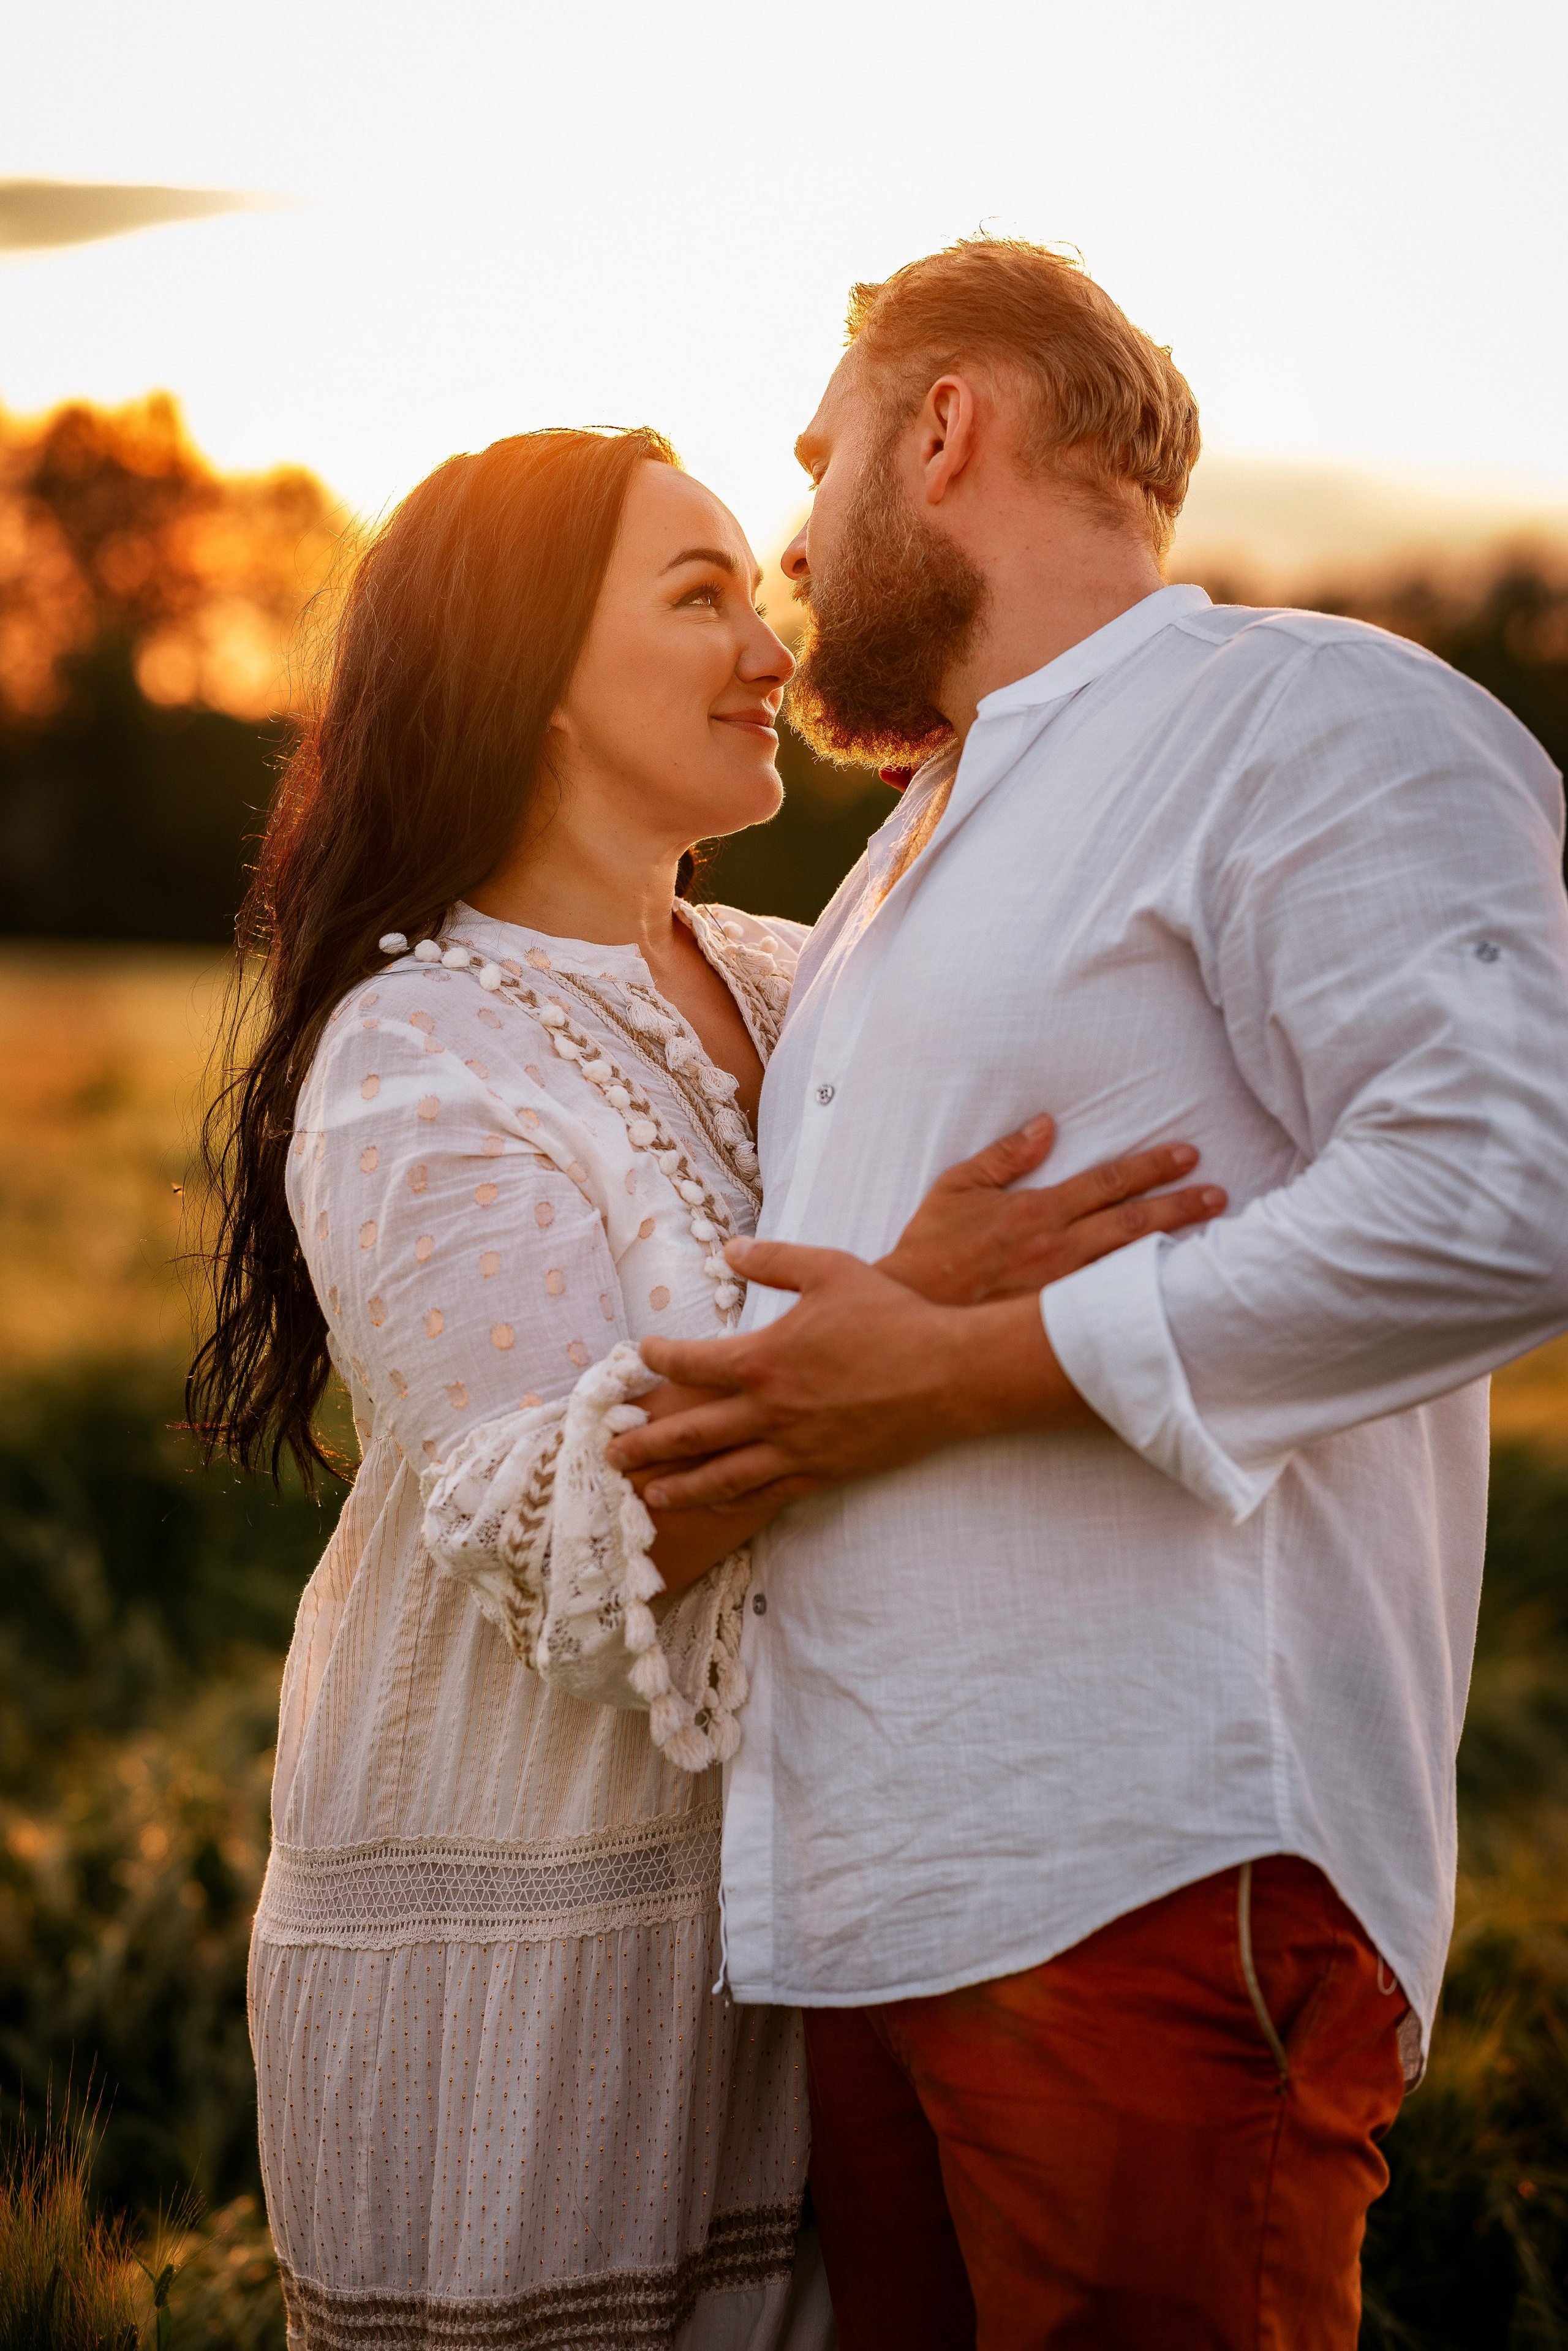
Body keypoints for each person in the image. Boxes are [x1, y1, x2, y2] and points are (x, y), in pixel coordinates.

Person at [606, 237, 1568, 2349]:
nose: (789, 535)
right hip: (868, 1915)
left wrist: (963, 1372)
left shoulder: (1301, 715)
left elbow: (1515, 1188)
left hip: (1147, 1881)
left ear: (943, 425)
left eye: (818, 450)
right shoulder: (897, 855)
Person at [190, 422, 1223, 2347]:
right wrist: (912, 1313)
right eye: (696, 597)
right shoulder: (421, 1055)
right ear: (530, 676)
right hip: (536, 1929)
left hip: (815, 1926)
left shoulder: (783, 976)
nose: (771, 646)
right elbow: (573, 1535)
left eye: (755, 586)